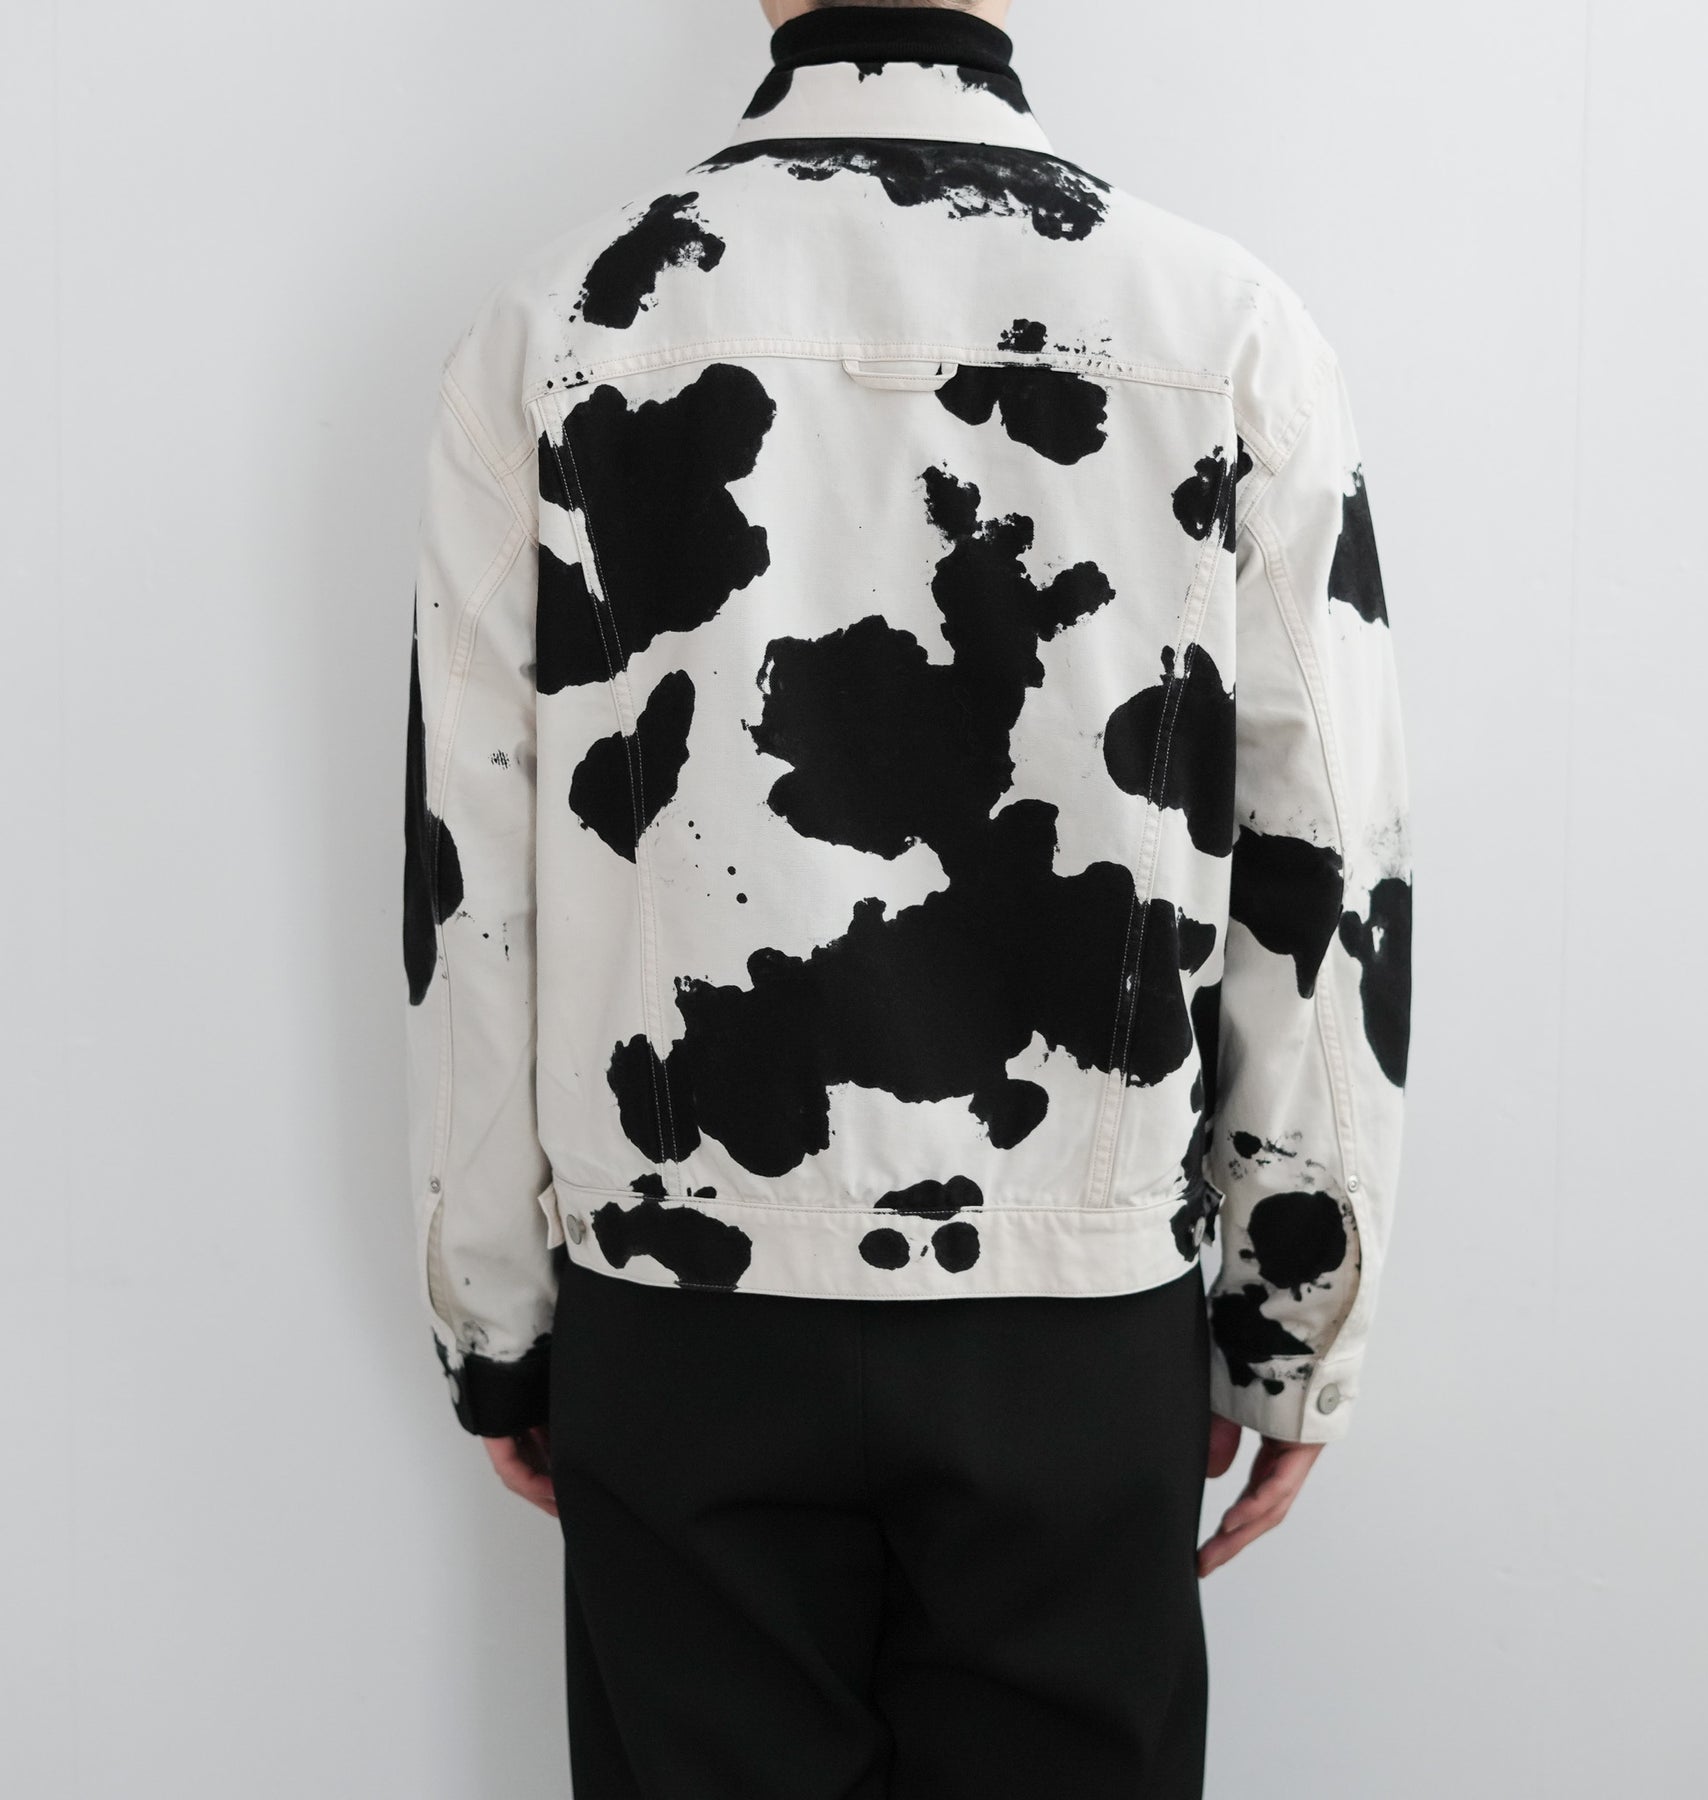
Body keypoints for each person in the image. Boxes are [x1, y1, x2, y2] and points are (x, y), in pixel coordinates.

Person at [400, 2, 1412, 1792]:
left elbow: (472, 874)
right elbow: (1325, 864)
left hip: (685, 1313)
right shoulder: (1224, 332)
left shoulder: (563, 330)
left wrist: (497, 1322)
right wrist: (1290, 1318)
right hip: (1074, 1318)